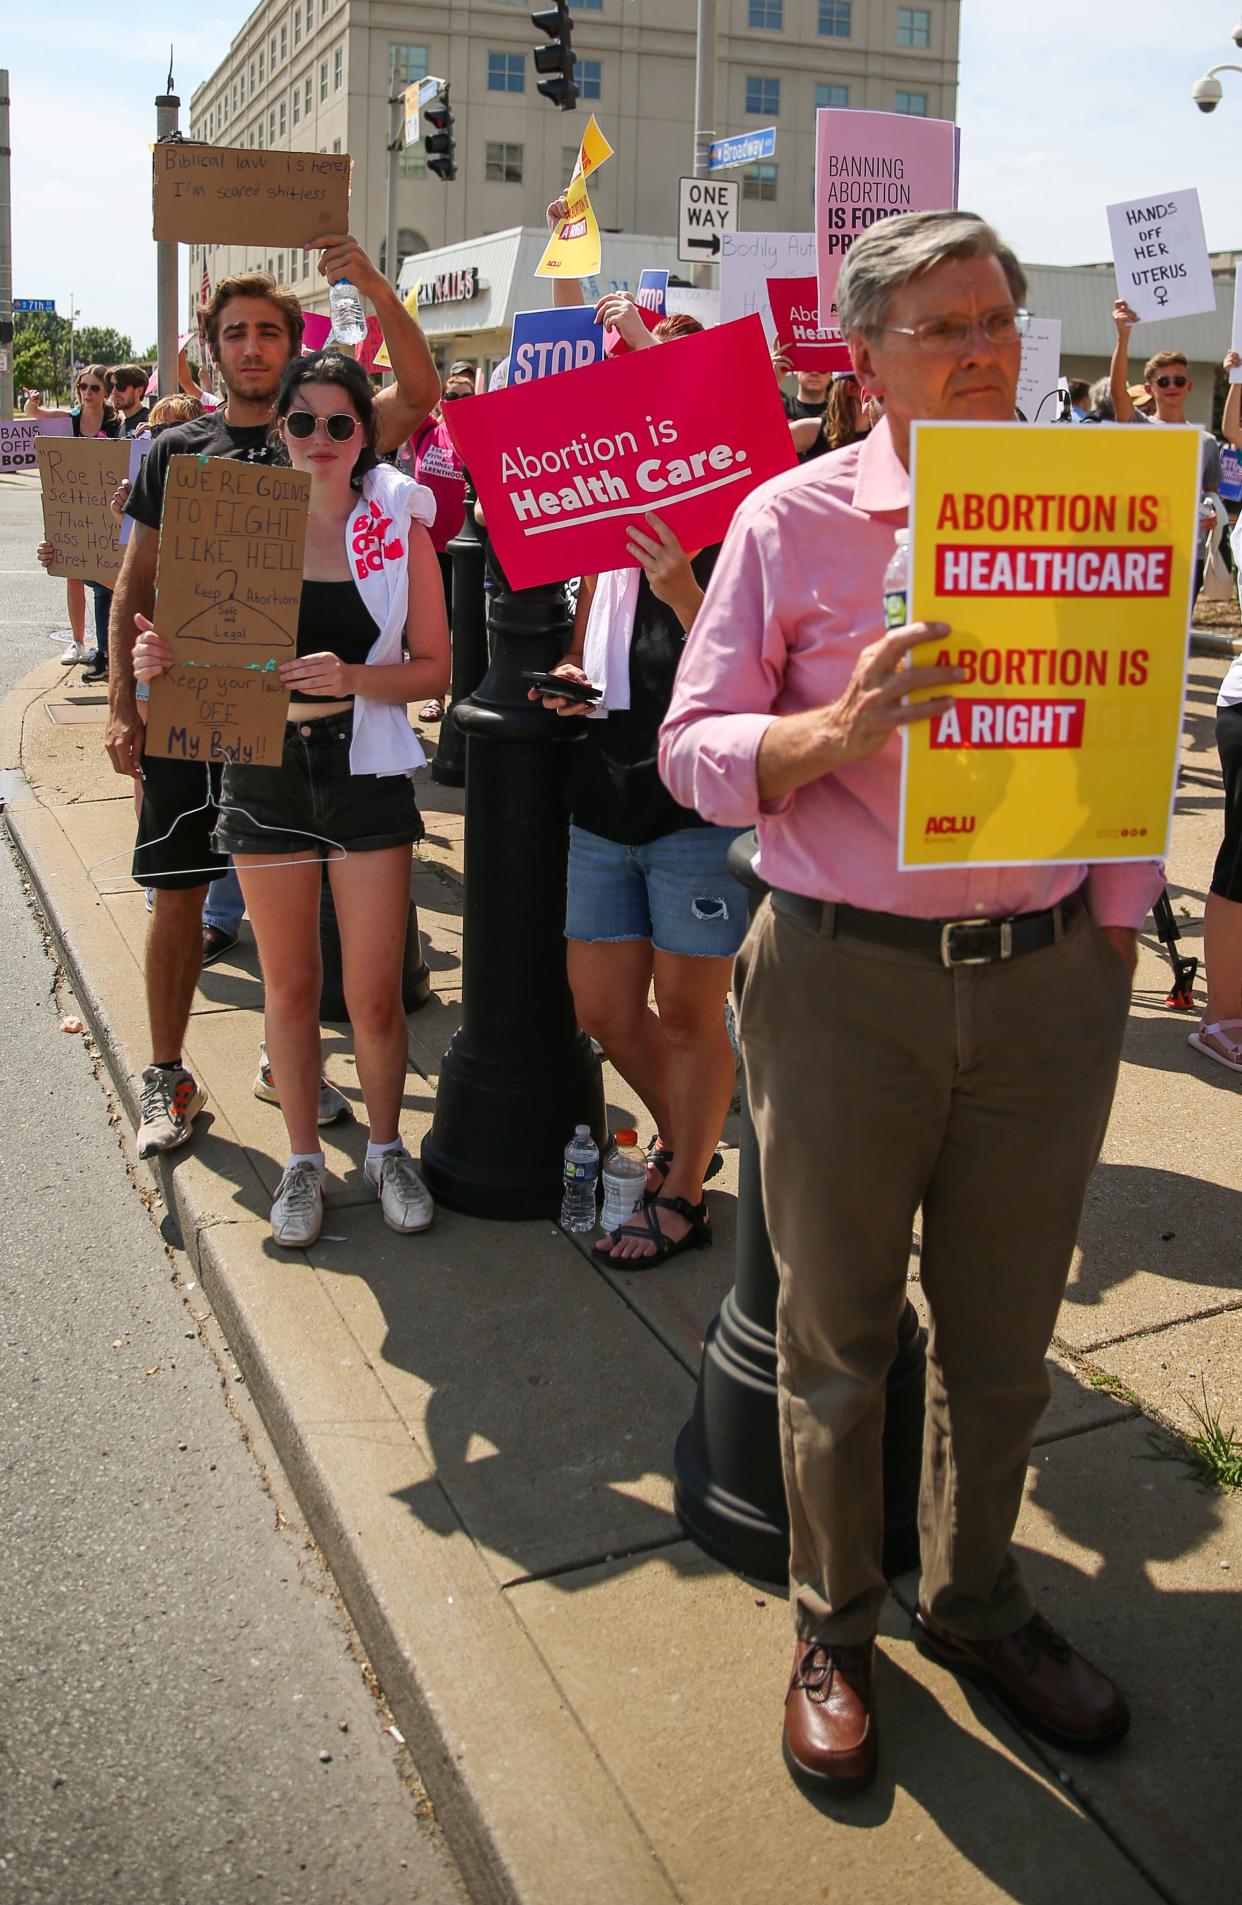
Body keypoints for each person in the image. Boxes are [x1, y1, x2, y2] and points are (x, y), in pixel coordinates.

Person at [660, 210, 1163, 1789]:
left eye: (998, 318)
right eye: (943, 325)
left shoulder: (1095, 509)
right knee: (835, 1339)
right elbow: (692, 747)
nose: (982, 347)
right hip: (840, 988)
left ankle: (978, 1598)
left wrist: (1112, 934)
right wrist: (827, 735)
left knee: (1006, 1338)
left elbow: (1129, 722)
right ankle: (834, 1622)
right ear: (864, 356)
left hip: (1039, 990)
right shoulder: (785, 524)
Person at [106, 238, 440, 1162]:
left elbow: (419, 392)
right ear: (211, 350)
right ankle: (167, 1071)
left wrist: (373, 283)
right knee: (178, 893)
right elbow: (137, 583)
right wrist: (124, 699)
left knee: (293, 935)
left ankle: (281, 1063)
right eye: (234, 334)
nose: (251, 347)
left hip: (301, 737)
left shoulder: (321, 429)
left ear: (294, 347)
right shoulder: (176, 447)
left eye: (268, 333)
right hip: (194, 701)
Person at [532, 311, 745, 1266]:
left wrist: (688, 592)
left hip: (692, 810)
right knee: (603, 1006)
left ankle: (687, 1187)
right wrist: (571, 684)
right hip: (603, 797)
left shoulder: (743, 517)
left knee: (695, 1016)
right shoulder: (597, 527)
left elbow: (758, 674)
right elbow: (586, 650)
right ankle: (694, 1140)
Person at [1109, 303, 1220, 599]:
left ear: (1188, 386)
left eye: (1178, 380)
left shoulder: (1207, 442)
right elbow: (1117, 392)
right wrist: (1123, 337)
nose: (1172, 386)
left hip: (1188, 554)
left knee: (1176, 639)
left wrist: (1211, 516)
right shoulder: (1138, 425)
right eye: (1163, 381)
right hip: (1139, 551)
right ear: (1150, 388)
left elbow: (1211, 496)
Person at [29, 366, 123, 684]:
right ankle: (78, 641)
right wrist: (33, 402)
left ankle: (105, 646)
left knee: (103, 578)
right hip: (71, 503)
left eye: (94, 388)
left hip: (106, 508)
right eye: (83, 386)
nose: (87, 393)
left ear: (105, 392)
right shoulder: (68, 418)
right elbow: (35, 413)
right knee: (72, 571)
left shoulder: (115, 423)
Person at [400, 370, 472, 721]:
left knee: (463, 627)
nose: (459, 403)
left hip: (467, 552)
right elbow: (411, 388)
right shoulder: (427, 431)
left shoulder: (479, 436)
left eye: (467, 396)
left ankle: (460, 691)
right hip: (426, 551)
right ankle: (434, 697)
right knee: (428, 628)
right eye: (453, 397)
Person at [109, 365, 151, 435]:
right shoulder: (118, 429)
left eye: (121, 386)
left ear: (139, 391)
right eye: (111, 386)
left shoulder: (151, 422)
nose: (114, 392)